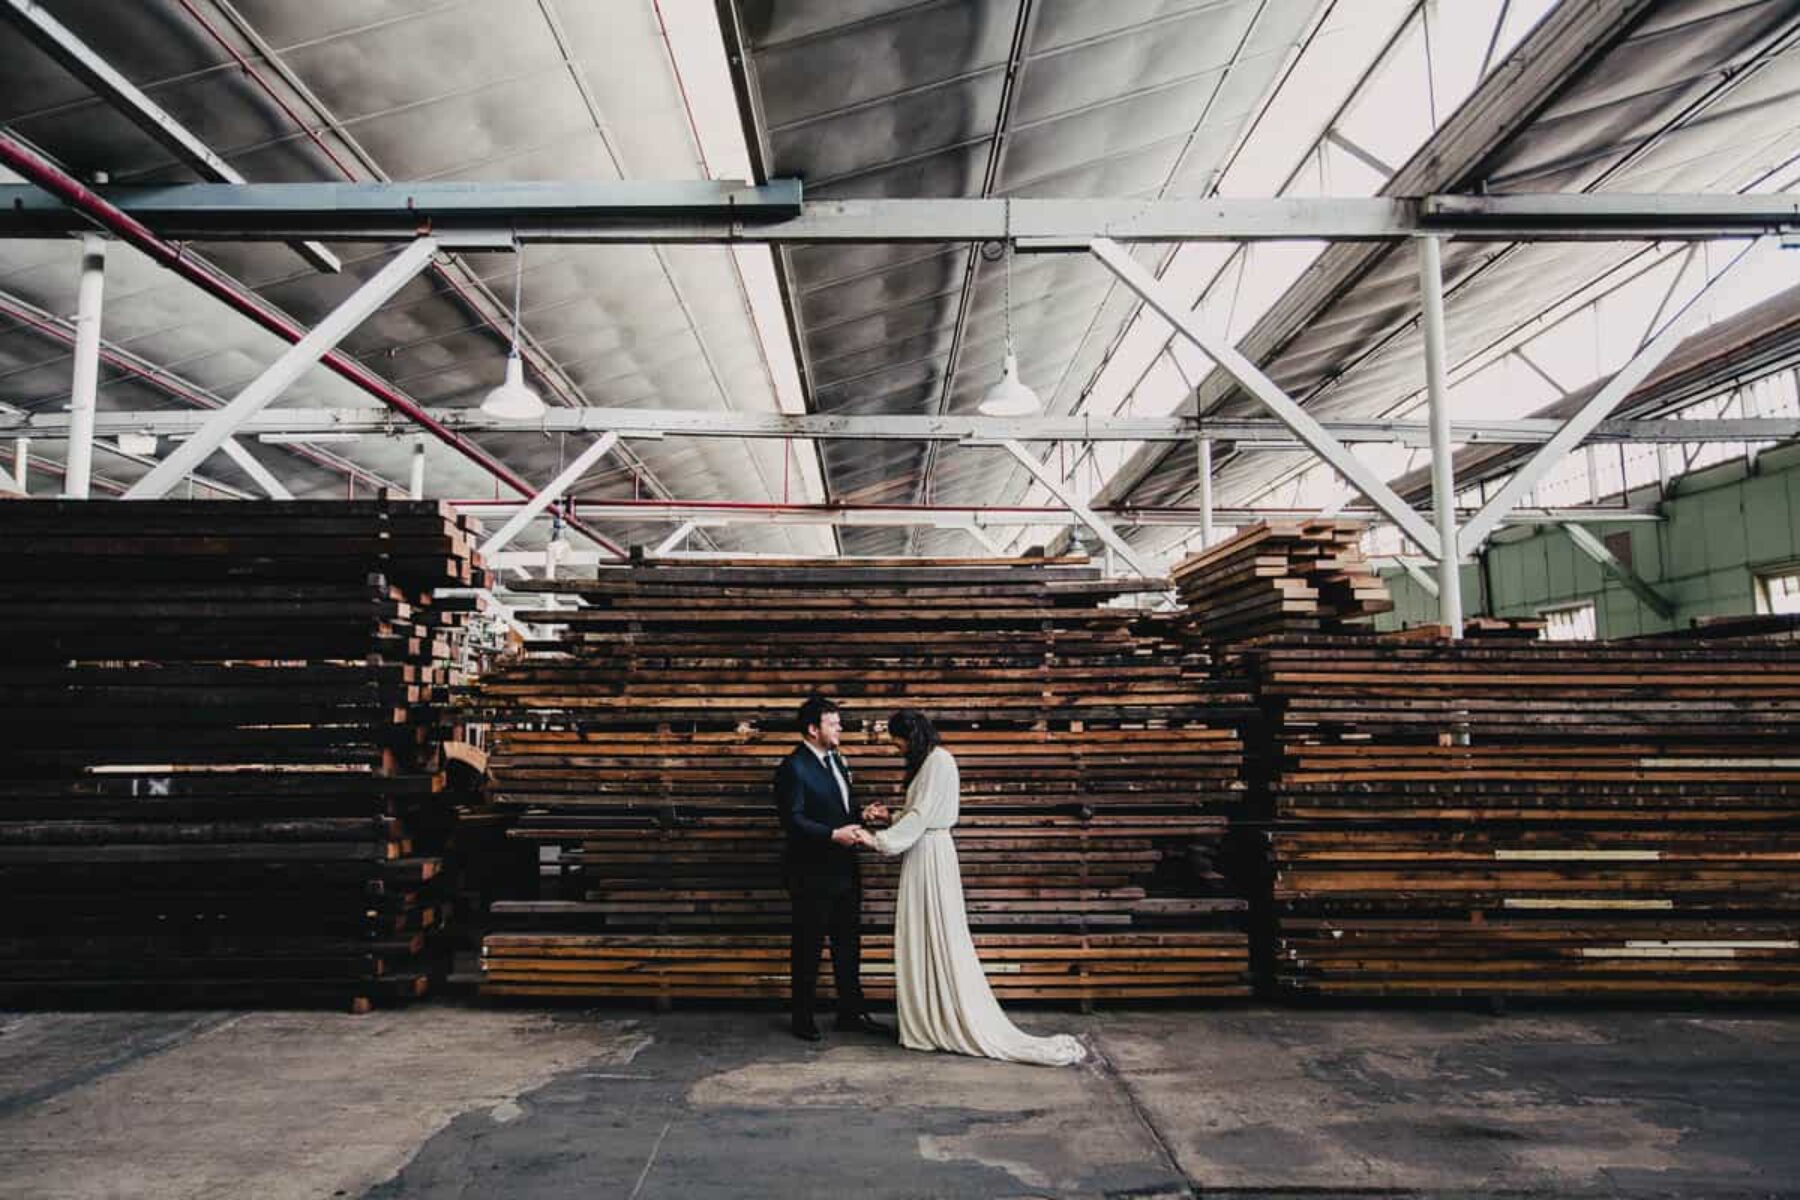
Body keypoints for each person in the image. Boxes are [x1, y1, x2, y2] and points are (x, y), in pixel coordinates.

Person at [849, 709, 1084, 1067]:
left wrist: (877, 839)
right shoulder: (933, 762)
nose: (896, 747)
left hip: (929, 854)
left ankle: (939, 1017)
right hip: (925, 851)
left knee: (936, 931)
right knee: (924, 932)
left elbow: (923, 818)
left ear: (908, 736)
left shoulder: (938, 761)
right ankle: (930, 1016)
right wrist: (889, 818)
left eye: (896, 740)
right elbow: (921, 814)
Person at [772, 694, 890, 1042]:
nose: (840, 727)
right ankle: (802, 1017)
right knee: (808, 946)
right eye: (832, 722)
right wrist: (831, 834)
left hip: (845, 869)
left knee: (848, 944)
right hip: (811, 872)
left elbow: (840, 808)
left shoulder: (837, 760)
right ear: (812, 729)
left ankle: (851, 1014)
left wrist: (861, 816)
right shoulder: (792, 767)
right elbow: (792, 820)